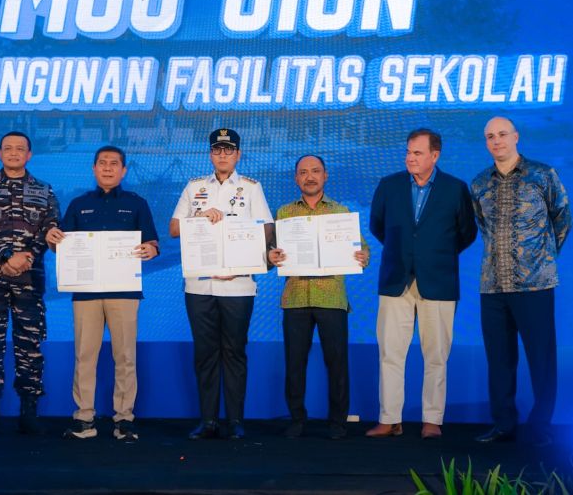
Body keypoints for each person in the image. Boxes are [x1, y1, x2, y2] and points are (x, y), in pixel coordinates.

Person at [366, 129, 477, 440]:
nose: (410, 158)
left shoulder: (456, 189)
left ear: (435, 156)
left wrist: (433, 254)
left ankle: (432, 419)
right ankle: (389, 419)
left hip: (438, 281)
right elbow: (378, 226)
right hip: (395, 280)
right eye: (408, 152)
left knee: (436, 355)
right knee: (390, 353)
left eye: (417, 153)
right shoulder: (389, 186)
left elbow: (466, 233)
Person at [45, 146, 159, 441]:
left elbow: (152, 243)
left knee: (125, 357)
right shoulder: (78, 204)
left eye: (114, 164)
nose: (108, 168)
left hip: (124, 291)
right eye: (102, 163)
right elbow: (62, 246)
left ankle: (125, 419)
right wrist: (52, 239)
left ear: (124, 170)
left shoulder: (136, 204)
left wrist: (151, 249)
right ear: (94, 169)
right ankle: (84, 418)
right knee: (84, 356)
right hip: (86, 293)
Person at [471, 117, 571, 446]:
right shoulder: (480, 183)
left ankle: (541, 425)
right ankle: (504, 424)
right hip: (493, 287)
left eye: (502, 134)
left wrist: (539, 258)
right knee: (499, 361)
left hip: (535, 286)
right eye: (490, 136)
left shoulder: (542, 175)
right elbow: (483, 226)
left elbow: (563, 218)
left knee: (541, 359)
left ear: (516, 137)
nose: (496, 140)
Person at [169, 128, 274, 440]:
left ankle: (236, 421)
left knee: (234, 351)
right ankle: (208, 420)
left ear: (238, 154)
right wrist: (200, 217)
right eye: (218, 150)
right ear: (210, 154)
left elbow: (267, 228)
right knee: (204, 353)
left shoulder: (252, 188)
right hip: (199, 286)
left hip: (238, 285)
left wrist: (247, 254)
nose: (223, 155)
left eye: (229, 150)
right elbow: (174, 228)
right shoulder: (194, 186)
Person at [0, 131, 60, 436]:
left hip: (29, 281)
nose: (14, 153)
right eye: (8, 148)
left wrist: (27, 255)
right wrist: (6, 255)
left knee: (29, 346)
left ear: (29, 155)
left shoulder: (45, 191)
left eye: (20, 149)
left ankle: (28, 411)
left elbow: (52, 229)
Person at [267, 155, 369, 440]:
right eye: (303, 172)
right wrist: (271, 255)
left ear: (325, 176)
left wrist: (363, 256)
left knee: (336, 363)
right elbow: (271, 253)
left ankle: (337, 422)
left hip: (331, 298)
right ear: (296, 178)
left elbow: (363, 250)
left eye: (315, 171)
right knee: (294, 362)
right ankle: (297, 419)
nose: (309, 177)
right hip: (295, 297)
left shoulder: (341, 211)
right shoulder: (284, 213)